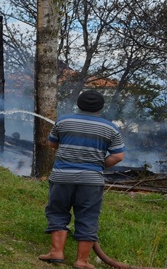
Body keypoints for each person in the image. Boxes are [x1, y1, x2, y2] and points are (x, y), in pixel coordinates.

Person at [38, 90, 126, 269]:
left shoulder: (64, 121)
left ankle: (56, 252)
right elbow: (118, 156)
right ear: (101, 108)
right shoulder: (110, 128)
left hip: (62, 177)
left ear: (78, 104)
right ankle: (82, 261)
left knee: (57, 211)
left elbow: (52, 143)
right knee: (88, 216)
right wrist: (99, 166)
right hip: (91, 181)